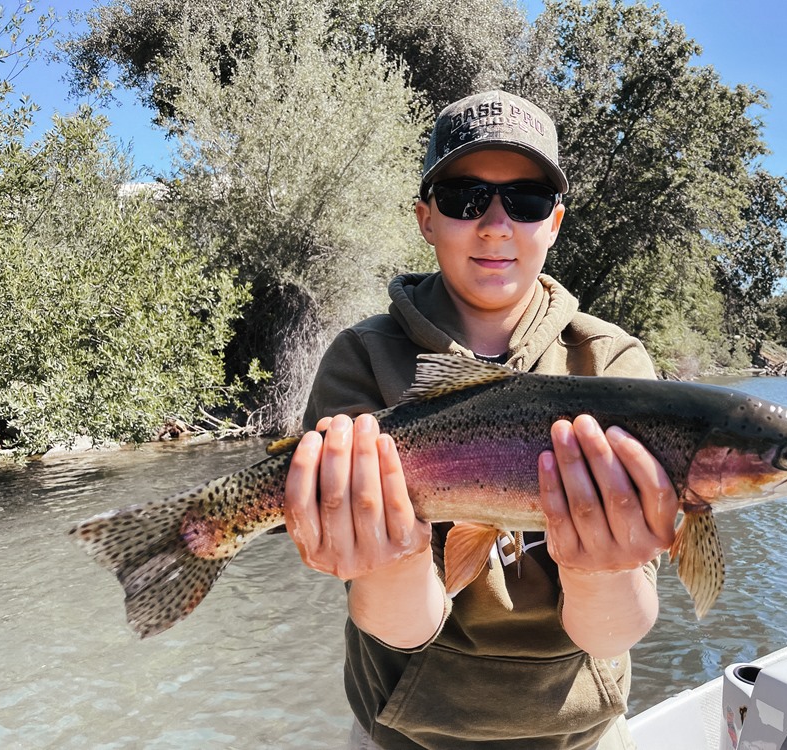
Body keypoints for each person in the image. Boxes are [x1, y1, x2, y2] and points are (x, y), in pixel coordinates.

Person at [284, 90, 678, 750]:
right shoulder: (363, 359)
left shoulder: (612, 363)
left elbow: (613, 632)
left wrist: (600, 570)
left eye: (523, 201)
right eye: (467, 198)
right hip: (404, 736)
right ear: (425, 218)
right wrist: (389, 563)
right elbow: (401, 626)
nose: (496, 224)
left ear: (553, 222)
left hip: (583, 737)